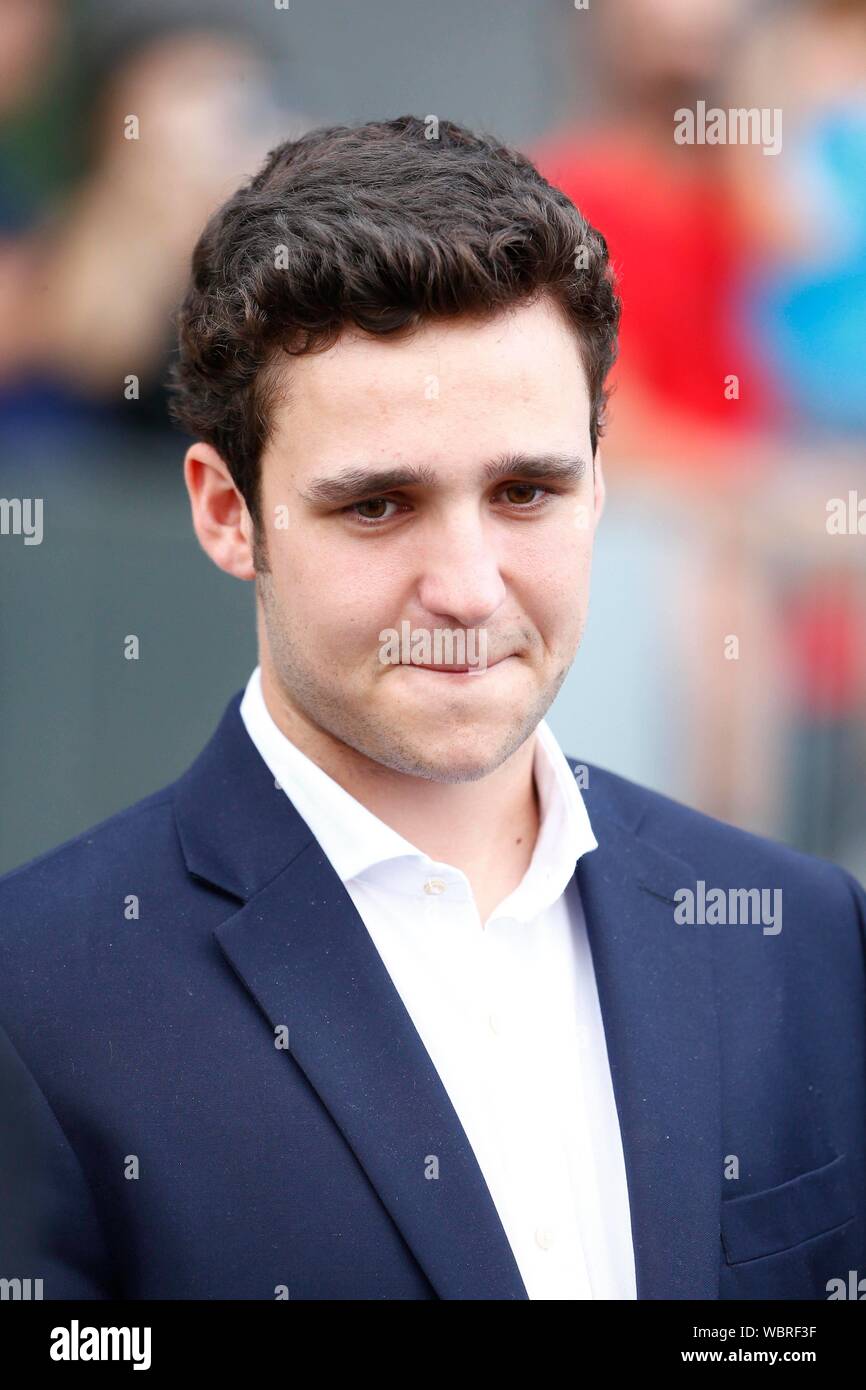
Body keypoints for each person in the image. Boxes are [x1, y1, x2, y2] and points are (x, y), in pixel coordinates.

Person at [0, 116, 863, 1302]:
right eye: (376, 507)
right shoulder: (34, 1000)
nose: (464, 587)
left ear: (599, 483)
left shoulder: (806, 940)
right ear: (223, 510)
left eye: (524, 491)